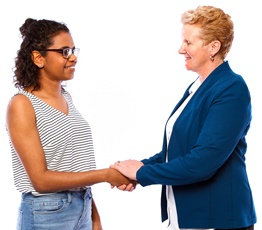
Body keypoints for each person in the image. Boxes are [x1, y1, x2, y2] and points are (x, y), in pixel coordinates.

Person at [111, 5, 257, 230]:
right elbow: (180, 149)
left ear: (213, 47)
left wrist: (142, 172)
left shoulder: (231, 88)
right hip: (190, 217)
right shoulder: (198, 87)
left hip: (220, 220)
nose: (181, 49)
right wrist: (140, 167)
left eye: (188, 42)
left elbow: (202, 162)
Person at [5, 18, 135, 230]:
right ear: (38, 58)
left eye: (73, 50)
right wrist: (105, 175)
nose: (73, 57)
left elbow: (74, 168)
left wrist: (94, 218)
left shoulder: (66, 98)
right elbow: (40, 180)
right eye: (64, 51)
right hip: (45, 214)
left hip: (81, 206)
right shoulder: (22, 105)